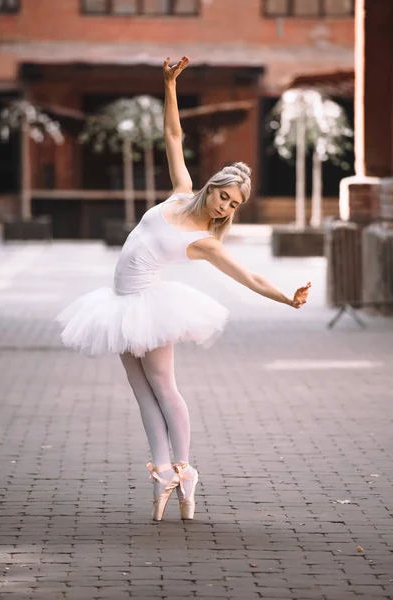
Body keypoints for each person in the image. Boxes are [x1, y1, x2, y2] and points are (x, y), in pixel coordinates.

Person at [56, 56, 311, 523]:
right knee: (142, 394)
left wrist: (287, 298)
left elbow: (250, 277)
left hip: (148, 309)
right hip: (118, 305)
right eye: (224, 197)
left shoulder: (202, 242)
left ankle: (186, 468)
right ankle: (163, 470)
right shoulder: (180, 193)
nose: (224, 208)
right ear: (213, 186)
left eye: (233, 206)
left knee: (165, 389)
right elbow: (173, 136)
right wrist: (169, 85)